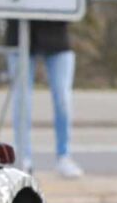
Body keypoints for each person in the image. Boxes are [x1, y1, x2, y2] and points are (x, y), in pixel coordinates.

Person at [12, 18, 82, 179]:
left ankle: (64, 156)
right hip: (19, 35)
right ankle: (23, 157)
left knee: (63, 98)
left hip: (57, 36)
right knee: (22, 100)